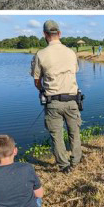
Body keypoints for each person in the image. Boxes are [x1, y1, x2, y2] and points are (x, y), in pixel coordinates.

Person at [31, 20, 82, 173]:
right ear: (59, 33)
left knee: (57, 136)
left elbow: (36, 81)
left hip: (52, 102)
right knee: (75, 132)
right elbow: (75, 71)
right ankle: (76, 159)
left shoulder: (40, 54)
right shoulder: (71, 52)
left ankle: (64, 165)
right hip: (72, 100)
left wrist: (43, 90)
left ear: (45, 35)